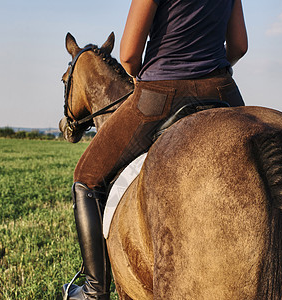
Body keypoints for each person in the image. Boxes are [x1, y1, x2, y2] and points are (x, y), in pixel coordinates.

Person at [64, 0, 247, 299]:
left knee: (86, 176)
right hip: (223, 90)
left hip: (162, 93)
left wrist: (141, 74)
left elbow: (129, 54)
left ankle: (94, 290)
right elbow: (239, 45)